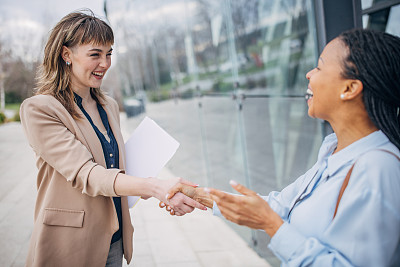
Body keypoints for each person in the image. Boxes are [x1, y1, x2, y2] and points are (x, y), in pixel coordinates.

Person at [163, 28, 400, 266]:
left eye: (319, 67)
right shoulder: (334, 150)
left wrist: (271, 225)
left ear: (349, 89)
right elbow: (281, 205)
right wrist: (199, 194)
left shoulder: (378, 169)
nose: (309, 74)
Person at [20, 10, 206, 267]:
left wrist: (168, 192)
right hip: (70, 243)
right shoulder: (40, 109)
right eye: (95, 54)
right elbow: (88, 173)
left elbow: (115, 171)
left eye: (109, 53)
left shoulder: (108, 105)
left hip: (114, 237)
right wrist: (155, 187)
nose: (105, 63)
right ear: (66, 55)